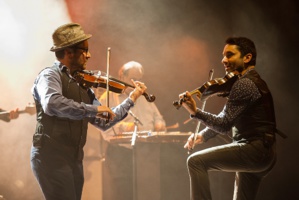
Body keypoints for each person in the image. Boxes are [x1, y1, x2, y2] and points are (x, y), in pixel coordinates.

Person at [30, 23, 147, 200]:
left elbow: (104, 121)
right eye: (85, 50)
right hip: (51, 156)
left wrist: (131, 99)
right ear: (69, 52)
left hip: (73, 158)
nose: (89, 55)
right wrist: (93, 109)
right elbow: (51, 103)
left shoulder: (83, 83)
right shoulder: (50, 75)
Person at [180, 37, 278, 200]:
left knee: (195, 162)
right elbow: (225, 117)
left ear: (247, 57)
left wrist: (195, 112)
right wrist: (203, 136)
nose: (223, 60)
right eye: (224, 55)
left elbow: (224, 125)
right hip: (265, 152)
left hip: (255, 150)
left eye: (230, 55)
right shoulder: (249, 82)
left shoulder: (245, 84)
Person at [99, 61, 166, 200]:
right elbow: (104, 126)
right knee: (123, 194)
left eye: (140, 79)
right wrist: (126, 127)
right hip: (121, 153)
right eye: (133, 78)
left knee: (147, 193)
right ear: (122, 77)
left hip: (146, 152)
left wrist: (159, 124)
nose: (136, 83)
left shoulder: (144, 97)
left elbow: (158, 117)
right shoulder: (108, 97)